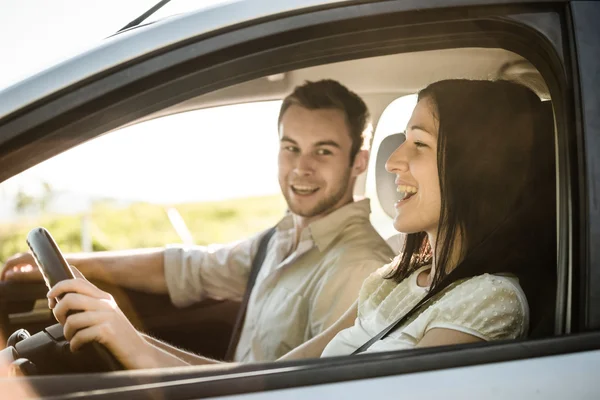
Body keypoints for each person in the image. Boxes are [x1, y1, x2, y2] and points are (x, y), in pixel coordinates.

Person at [26, 78, 558, 369]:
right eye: (290, 148)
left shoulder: (487, 301)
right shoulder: (392, 279)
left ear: (473, 170)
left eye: (419, 145)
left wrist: (134, 345)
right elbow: (263, 382)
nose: (394, 164)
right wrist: (121, 328)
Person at [1, 80, 395, 363]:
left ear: (358, 161)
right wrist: (74, 264)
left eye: (323, 152)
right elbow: (190, 269)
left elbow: (289, 390)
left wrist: (131, 342)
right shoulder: (284, 236)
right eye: (290, 148)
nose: (301, 168)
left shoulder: (358, 267)